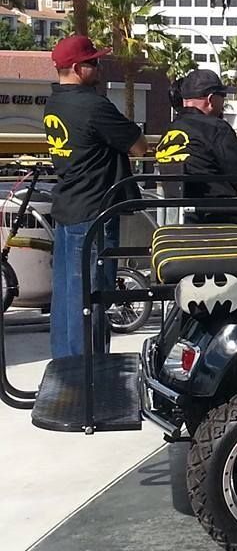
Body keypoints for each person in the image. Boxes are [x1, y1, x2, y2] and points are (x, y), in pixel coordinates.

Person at [44, 35, 147, 359]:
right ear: (77, 68)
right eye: (93, 62)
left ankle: (65, 368)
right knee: (90, 299)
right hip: (94, 213)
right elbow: (138, 146)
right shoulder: (93, 106)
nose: (99, 66)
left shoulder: (55, 102)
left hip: (69, 208)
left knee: (66, 299)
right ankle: (86, 377)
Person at [157, 69, 237, 234]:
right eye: (223, 97)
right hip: (224, 219)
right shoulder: (216, 128)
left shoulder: (170, 130)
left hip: (188, 220)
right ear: (211, 99)